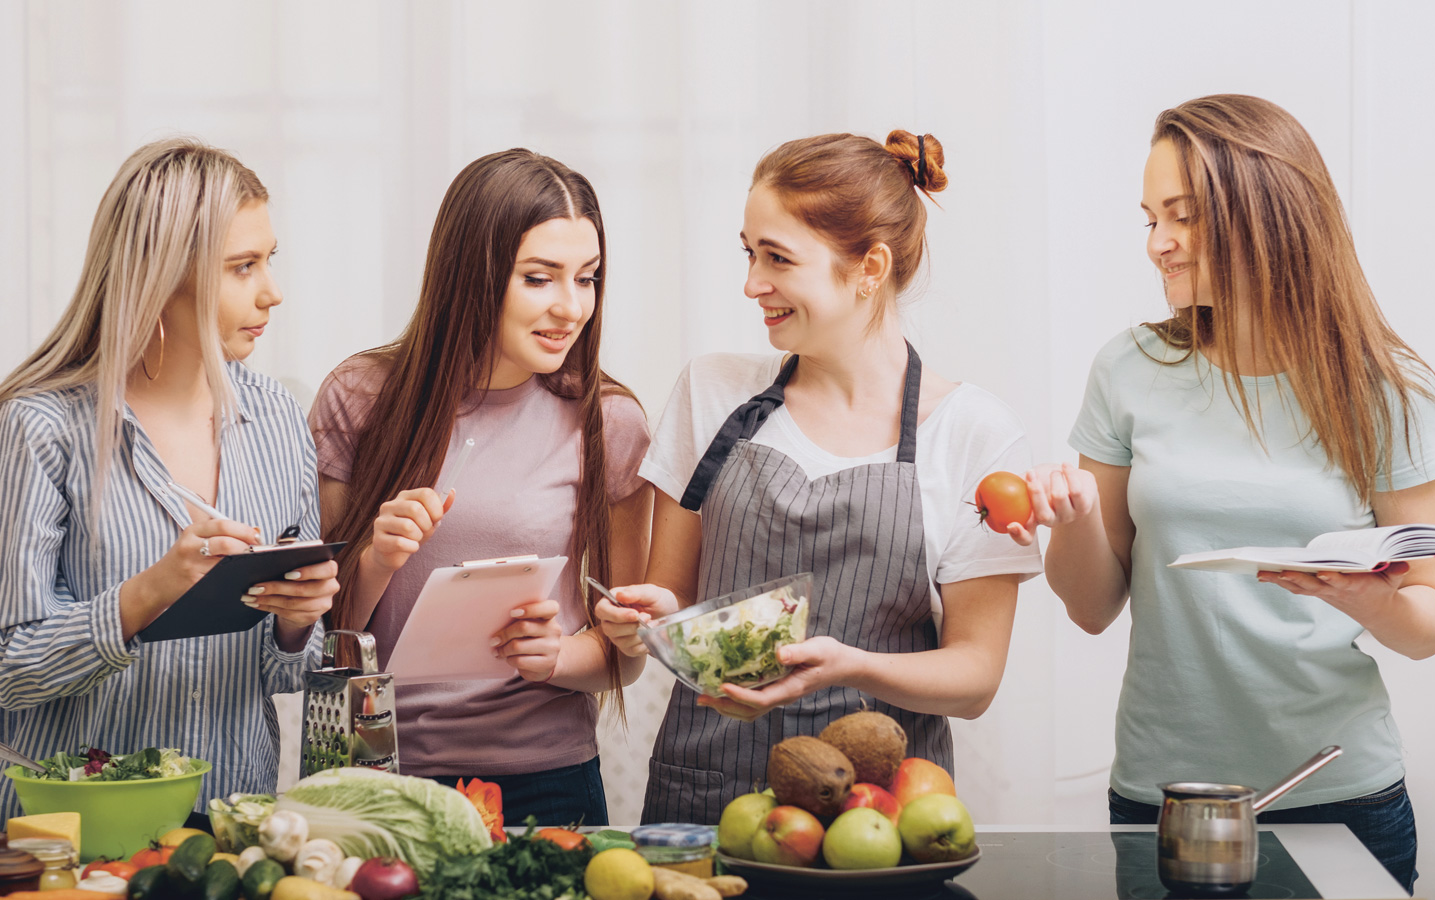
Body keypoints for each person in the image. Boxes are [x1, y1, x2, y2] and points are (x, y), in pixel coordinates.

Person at [1013, 95, 1435, 892]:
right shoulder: (1129, 368)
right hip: (1165, 798)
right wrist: (1070, 525)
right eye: (1149, 219)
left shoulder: (1387, 390)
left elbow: (1426, 626)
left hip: (1337, 791)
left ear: (1268, 214)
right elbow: (1092, 606)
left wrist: (1362, 597)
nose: (1158, 244)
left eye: (1182, 216)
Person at [596, 131, 1043, 824]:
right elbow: (674, 600)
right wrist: (642, 622)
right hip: (706, 797)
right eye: (749, 252)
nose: (752, 283)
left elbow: (975, 678)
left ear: (870, 267)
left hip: (876, 814)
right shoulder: (713, 392)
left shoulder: (973, 434)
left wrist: (850, 665)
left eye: (777, 258)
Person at [309, 148, 651, 826]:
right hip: (380, 775)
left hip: (547, 782)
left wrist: (557, 658)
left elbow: (624, 651)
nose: (570, 307)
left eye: (586, 279)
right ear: (473, 274)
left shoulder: (609, 421)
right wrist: (377, 558)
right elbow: (320, 631)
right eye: (539, 278)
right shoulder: (360, 397)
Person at [0, 138, 334, 818]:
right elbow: (11, 666)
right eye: (243, 267)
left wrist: (299, 625)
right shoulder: (41, 428)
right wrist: (149, 593)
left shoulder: (278, 421)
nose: (272, 291)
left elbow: (289, 676)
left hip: (230, 836)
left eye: (269, 261)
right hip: (74, 842)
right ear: (160, 276)